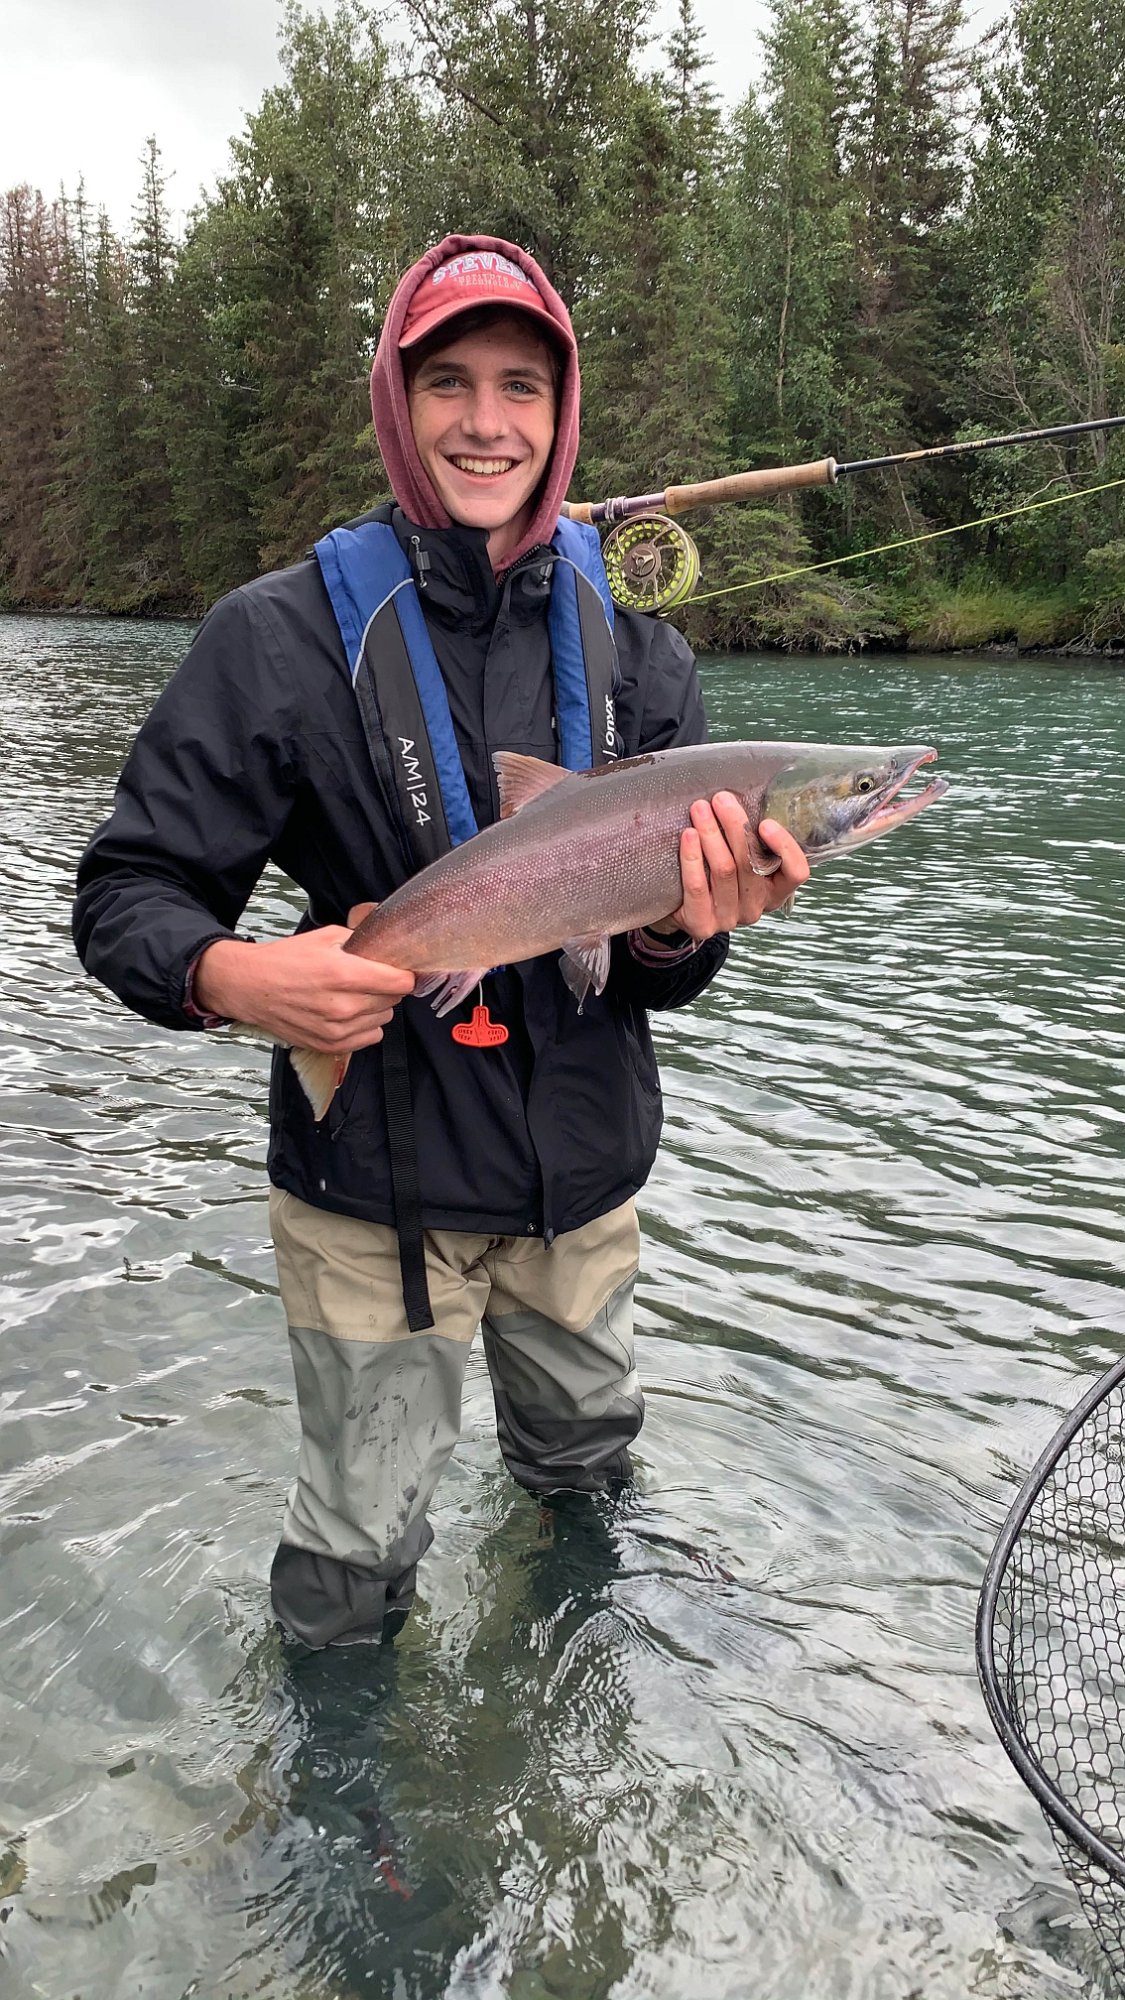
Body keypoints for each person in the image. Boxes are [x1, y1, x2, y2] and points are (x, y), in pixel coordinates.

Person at [73, 234, 808, 1649]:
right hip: (373, 1198)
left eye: (521, 386)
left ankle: (566, 1709)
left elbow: (660, 974)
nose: (486, 422)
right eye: (449, 383)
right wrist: (236, 977)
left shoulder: (642, 655)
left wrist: (681, 932)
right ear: (396, 404)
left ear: (561, 411)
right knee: (354, 1567)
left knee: (585, 1484)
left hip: (580, 1187)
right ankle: (353, 1776)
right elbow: (126, 892)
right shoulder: (275, 637)